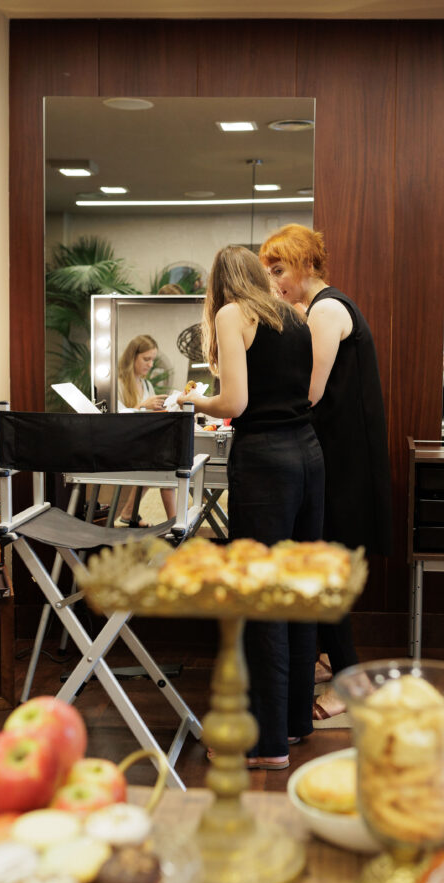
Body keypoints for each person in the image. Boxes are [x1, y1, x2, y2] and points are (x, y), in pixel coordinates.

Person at [178, 245, 325, 769]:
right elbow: (309, 393)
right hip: (309, 455)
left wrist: (189, 400)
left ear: (218, 283)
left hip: (266, 461)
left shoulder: (231, 314)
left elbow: (234, 403)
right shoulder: (296, 316)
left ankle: (264, 745)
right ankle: (293, 724)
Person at [259, 224, 391, 724]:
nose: (275, 282)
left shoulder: (328, 310)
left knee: (325, 567)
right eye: (270, 272)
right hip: (334, 453)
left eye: (279, 270)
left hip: (344, 459)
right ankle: (331, 660)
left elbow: (309, 391)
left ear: (308, 265)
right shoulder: (315, 309)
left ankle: (350, 681)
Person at [116, 334, 176, 526]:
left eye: (152, 360)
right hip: (124, 442)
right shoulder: (118, 384)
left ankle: (128, 514)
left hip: (143, 441)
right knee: (166, 465)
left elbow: (148, 415)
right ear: (132, 357)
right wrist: (142, 406)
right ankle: (175, 523)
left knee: (164, 459)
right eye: (146, 359)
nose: (150, 364)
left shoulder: (146, 384)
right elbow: (115, 419)